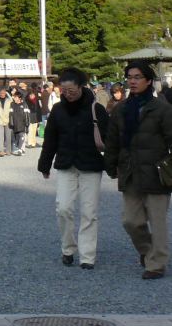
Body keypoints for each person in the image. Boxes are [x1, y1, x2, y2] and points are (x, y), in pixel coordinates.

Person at [104, 62, 172, 280]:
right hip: (130, 170)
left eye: (137, 77)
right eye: (129, 77)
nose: (132, 81)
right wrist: (110, 164)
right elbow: (112, 140)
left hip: (156, 172)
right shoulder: (120, 109)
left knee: (157, 221)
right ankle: (147, 251)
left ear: (149, 81)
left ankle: (156, 264)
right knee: (130, 221)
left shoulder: (162, 109)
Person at [39, 68, 107, 269]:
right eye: (64, 90)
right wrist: (44, 164)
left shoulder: (97, 109)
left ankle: (87, 256)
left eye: (71, 90)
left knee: (89, 211)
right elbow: (50, 139)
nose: (67, 94)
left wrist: (114, 165)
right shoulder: (58, 110)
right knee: (63, 207)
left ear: (81, 87)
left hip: (91, 165)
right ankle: (68, 247)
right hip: (66, 164)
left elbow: (110, 139)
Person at [10, 91, 30, 156]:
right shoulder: (12, 104)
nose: (14, 98)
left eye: (16, 97)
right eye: (14, 97)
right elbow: (10, 114)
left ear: (19, 98)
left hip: (22, 123)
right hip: (15, 123)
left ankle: (20, 150)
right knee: (17, 137)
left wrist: (27, 123)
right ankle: (20, 149)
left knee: (22, 136)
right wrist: (11, 122)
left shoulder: (24, 104)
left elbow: (27, 114)